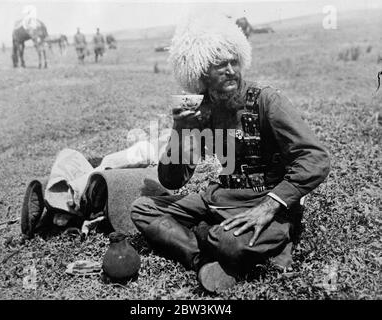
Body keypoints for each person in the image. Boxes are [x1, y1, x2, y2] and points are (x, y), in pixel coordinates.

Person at [129, 13, 331, 293]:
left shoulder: (267, 100)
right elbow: (172, 181)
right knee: (143, 209)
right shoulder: (201, 109)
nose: (230, 70)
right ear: (200, 72)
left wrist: (269, 206)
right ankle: (201, 259)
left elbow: (315, 157)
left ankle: (258, 239)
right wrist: (181, 128)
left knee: (228, 241)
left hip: (263, 203)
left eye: (233, 61)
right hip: (218, 200)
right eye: (219, 64)